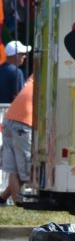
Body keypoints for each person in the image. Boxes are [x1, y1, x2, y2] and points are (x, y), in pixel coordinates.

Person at [0, 74, 32, 204]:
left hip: (9, 118)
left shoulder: (34, 77)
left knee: (14, 168)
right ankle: (18, 203)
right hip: (23, 122)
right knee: (26, 168)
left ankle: (3, 198)